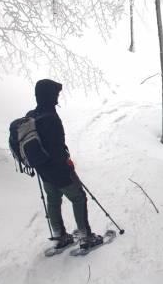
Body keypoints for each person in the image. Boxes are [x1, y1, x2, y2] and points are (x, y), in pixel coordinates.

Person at [27, 79, 102, 250]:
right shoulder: (51, 118)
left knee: (53, 200)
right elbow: (56, 150)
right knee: (78, 197)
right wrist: (67, 165)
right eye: (56, 94)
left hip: (42, 169)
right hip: (57, 169)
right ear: (49, 95)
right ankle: (85, 237)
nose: (57, 97)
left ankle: (60, 235)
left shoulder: (32, 115)